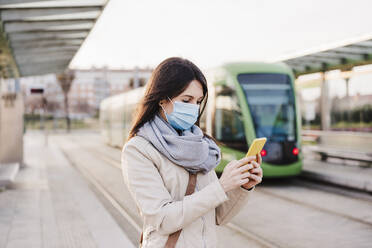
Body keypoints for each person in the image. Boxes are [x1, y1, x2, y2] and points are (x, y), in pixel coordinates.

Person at [121, 57, 263, 248]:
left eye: (198, 101)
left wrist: (243, 187)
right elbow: (162, 219)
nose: (194, 108)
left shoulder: (201, 145)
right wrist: (220, 187)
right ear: (163, 100)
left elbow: (219, 216)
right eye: (186, 100)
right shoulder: (139, 150)